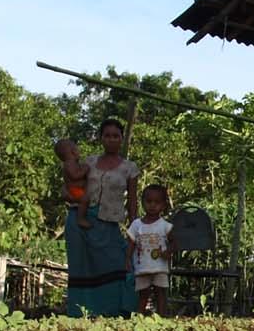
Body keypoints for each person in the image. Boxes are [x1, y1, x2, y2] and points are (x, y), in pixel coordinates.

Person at [61, 118, 141, 318]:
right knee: (82, 267)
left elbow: (132, 200)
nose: (111, 140)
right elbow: (71, 183)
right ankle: (80, 313)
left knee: (120, 264)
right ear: (101, 138)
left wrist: (136, 228)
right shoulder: (89, 162)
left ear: (121, 139)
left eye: (116, 136)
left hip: (108, 223)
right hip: (80, 221)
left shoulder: (129, 168)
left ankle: (114, 312)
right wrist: (68, 194)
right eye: (107, 135)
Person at [128, 183, 173, 317]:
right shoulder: (136, 225)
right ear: (142, 203)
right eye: (149, 201)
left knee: (160, 293)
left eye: (157, 202)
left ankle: (162, 318)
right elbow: (130, 242)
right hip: (142, 266)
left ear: (163, 205)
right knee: (143, 294)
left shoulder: (165, 225)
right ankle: (139, 317)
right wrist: (127, 260)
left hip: (160, 267)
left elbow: (175, 242)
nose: (152, 205)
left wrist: (168, 252)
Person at [56, 138, 95, 228]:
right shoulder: (69, 163)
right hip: (73, 190)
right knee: (84, 199)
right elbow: (75, 176)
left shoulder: (73, 163)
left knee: (84, 199)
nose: (79, 151)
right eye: (77, 149)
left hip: (77, 189)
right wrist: (85, 170)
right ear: (73, 152)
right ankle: (80, 219)